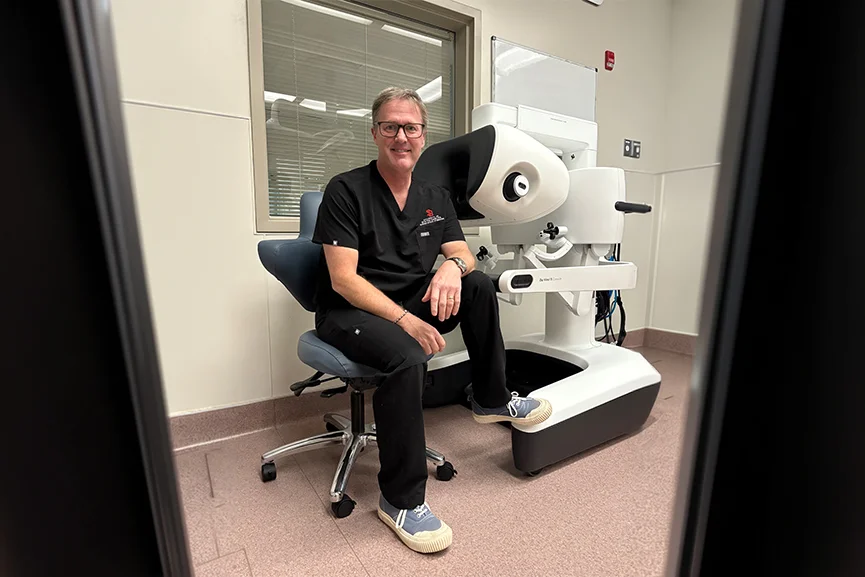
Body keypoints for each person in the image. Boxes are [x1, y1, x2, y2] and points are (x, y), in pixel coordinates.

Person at [311, 87, 552, 554]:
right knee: (406, 353)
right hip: (350, 311)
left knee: (479, 285)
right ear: (376, 132)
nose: (402, 136)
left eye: (412, 127)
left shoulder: (434, 195)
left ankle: (491, 398)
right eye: (391, 126)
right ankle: (399, 500)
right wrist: (406, 320)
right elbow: (342, 280)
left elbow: (462, 253)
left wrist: (450, 267)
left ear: (424, 135)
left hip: (408, 301)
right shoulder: (346, 190)